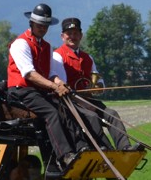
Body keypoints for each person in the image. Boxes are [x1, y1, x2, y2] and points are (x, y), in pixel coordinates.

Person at [7, 3, 99, 174]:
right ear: (32, 23)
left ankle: (81, 147)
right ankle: (65, 155)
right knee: (52, 113)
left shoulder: (47, 47)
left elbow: (50, 74)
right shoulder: (20, 44)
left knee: (66, 108)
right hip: (21, 90)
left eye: (45, 25)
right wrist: (54, 87)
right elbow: (29, 74)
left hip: (38, 90)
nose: (42, 28)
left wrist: (59, 83)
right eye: (39, 24)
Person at [53, 17, 135, 150]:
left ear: (81, 35)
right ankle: (104, 149)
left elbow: (97, 79)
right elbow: (62, 86)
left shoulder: (88, 57)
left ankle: (125, 147)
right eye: (69, 34)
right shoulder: (57, 56)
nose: (72, 37)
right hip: (70, 103)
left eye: (76, 33)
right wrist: (83, 102)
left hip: (88, 100)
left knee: (112, 114)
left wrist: (98, 87)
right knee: (92, 116)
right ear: (62, 36)